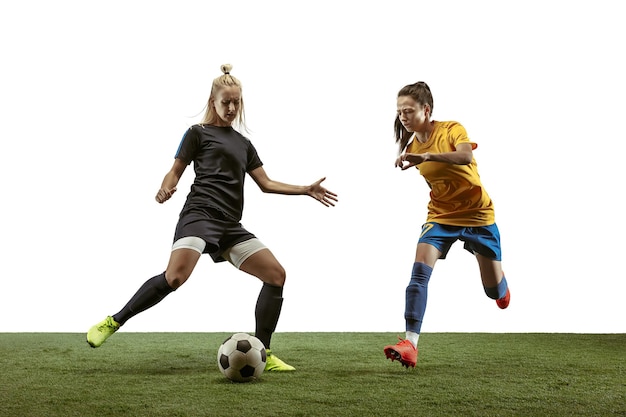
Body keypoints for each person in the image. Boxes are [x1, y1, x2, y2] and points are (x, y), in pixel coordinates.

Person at [87, 64, 338, 372]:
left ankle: (264, 353)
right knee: (174, 278)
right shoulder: (197, 134)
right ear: (213, 101)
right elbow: (175, 170)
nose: (231, 108)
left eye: (237, 102)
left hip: (230, 226)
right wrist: (166, 188)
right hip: (199, 215)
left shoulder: (244, 144)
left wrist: (304, 189)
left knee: (276, 275)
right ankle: (114, 321)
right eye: (226, 102)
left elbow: (266, 183)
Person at [383, 81, 510, 368]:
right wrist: (408, 158)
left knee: (494, 293)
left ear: (426, 110)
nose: (403, 116)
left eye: (408, 110)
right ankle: (410, 344)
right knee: (418, 275)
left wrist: (426, 156)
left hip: (478, 216)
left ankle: (501, 286)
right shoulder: (411, 144)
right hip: (440, 216)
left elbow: (465, 156)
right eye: (399, 112)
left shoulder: (451, 129)